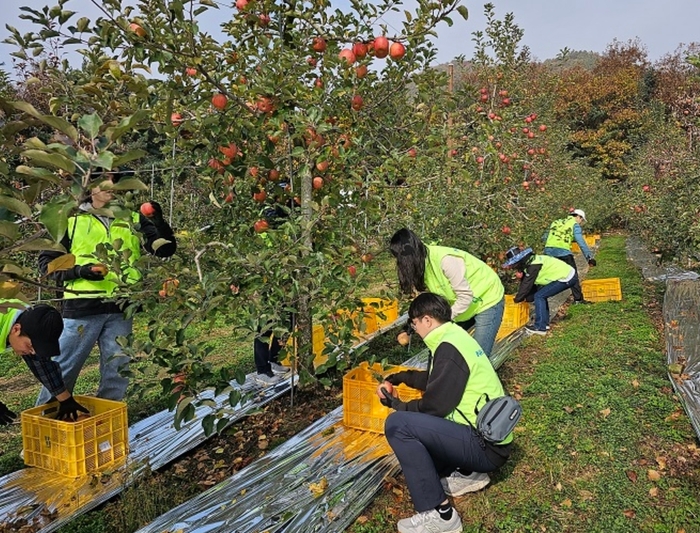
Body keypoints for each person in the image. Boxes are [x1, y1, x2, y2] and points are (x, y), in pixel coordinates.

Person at [36, 168, 177, 404]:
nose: (111, 186)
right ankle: (45, 420)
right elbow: (46, 266)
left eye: (115, 181)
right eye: (104, 181)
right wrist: (80, 271)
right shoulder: (70, 218)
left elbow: (165, 250)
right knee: (64, 370)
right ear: (89, 187)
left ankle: (106, 422)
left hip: (122, 306)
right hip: (82, 306)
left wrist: (159, 222)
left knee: (118, 372)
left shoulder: (133, 218)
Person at [377, 293, 514, 533]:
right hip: (491, 440)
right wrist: (399, 378)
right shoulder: (454, 337)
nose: (415, 329)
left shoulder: (448, 348)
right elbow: (435, 379)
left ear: (427, 320)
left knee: (398, 425)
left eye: (414, 323)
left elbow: (435, 406)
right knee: (414, 425)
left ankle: (440, 515)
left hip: (484, 447)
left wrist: (397, 406)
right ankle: (469, 473)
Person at [389, 228, 505, 357]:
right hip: (462, 304)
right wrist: (409, 328)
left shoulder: (446, 261)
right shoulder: (422, 265)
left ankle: (481, 376)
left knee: (479, 354)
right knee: (453, 348)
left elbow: (465, 297)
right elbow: (425, 301)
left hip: (486, 297)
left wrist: (442, 320)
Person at [0, 300, 88, 424]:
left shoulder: (29, 319)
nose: (33, 352)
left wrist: (66, 400)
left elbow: (42, 365)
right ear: (16, 329)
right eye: (30, 346)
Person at [253, 203, 291, 385]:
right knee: (265, 327)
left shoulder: (286, 231)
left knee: (286, 322)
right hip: (268, 285)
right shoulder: (263, 233)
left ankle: (274, 360)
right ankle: (262, 370)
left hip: (285, 283)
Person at [502, 246, 578, 335]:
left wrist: (516, 299)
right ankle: (544, 324)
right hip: (567, 274)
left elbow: (526, 286)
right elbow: (530, 287)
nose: (513, 267)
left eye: (514, 264)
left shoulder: (533, 265)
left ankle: (540, 327)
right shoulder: (531, 262)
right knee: (541, 295)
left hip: (566, 277)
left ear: (520, 261)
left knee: (539, 296)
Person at [543, 209, 596, 304]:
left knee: (546, 276)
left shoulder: (556, 222)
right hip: (563, 252)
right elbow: (581, 242)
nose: (581, 222)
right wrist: (589, 257)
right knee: (573, 275)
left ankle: (541, 298)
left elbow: (545, 236)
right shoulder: (574, 225)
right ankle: (578, 299)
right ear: (578, 217)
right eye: (582, 220)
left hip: (548, 251)